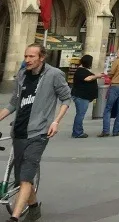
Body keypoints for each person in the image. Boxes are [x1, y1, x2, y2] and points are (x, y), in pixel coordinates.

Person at [0, 45, 70, 220]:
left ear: (42, 57)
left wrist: (56, 121)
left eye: (32, 56)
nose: (28, 60)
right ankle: (33, 208)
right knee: (22, 178)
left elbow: (66, 99)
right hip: (19, 131)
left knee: (25, 178)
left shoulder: (54, 74)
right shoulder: (22, 74)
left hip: (39, 133)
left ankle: (14, 218)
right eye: (26, 56)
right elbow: (14, 103)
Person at [70, 54, 100, 139]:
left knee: (80, 114)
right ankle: (77, 132)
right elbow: (87, 78)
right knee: (80, 114)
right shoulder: (81, 71)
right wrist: (97, 76)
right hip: (81, 96)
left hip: (82, 96)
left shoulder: (83, 70)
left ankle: (78, 131)